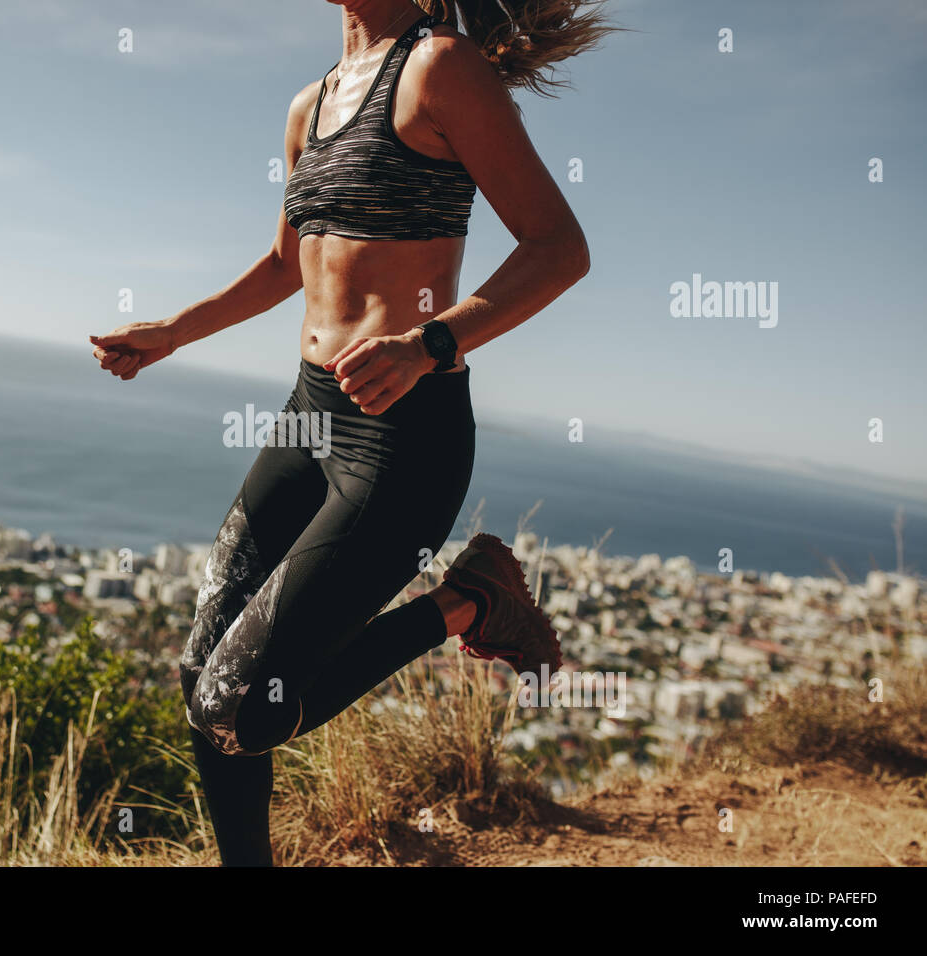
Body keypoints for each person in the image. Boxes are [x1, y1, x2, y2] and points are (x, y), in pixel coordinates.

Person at [90, 0, 614, 866]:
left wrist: (428, 342)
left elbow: (560, 248)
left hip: (404, 440)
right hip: (309, 416)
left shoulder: (441, 69)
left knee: (240, 706)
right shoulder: (312, 104)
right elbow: (284, 262)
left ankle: (472, 601)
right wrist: (171, 334)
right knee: (200, 683)